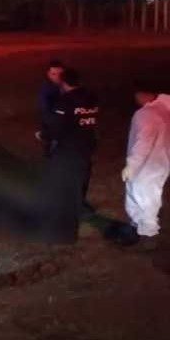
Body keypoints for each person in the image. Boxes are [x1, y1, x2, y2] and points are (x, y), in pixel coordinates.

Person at [40, 68, 98, 243]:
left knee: (64, 184)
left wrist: (44, 136)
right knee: (82, 178)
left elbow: (56, 127)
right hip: (86, 147)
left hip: (68, 149)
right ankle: (79, 207)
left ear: (64, 83)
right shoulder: (92, 97)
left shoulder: (64, 101)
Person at [115, 83, 170, 251]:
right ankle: (140, 227)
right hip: (161, 162)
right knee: (150, 197)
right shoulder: (165, 109)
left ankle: (146, 233)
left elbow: (143, 142)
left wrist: (132, 165)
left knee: (142, 198)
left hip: (146, 166)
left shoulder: (146, 114)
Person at [37, 59, 66, 159]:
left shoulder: (66, 87)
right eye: (54, 74)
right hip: (54, 130)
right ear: (49, 74)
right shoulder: (47, 91)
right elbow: (46, 112)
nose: (57, 77)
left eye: (60, 74)